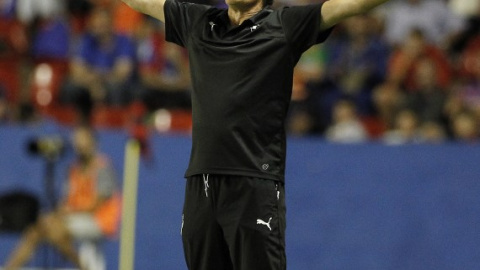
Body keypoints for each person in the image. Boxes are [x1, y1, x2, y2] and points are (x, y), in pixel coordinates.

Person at [121, 0, 391, 269]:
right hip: (200, 182)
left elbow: (350, 5)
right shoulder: (197, 22)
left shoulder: (284, 25)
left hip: (254, 181)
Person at [4, 126, 121, 270]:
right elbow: (67, 200)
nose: (80, 146)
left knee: (55, 231)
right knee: (36, 229)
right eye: (77, 142)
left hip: (100, 220)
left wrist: (67, 212)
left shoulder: (103, 168)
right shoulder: (74, 168)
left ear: (93, 144)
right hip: (75, 216)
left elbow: (96, 205)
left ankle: (83, 267)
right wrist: (55, 214)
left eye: (83, 142)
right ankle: (11, 267)